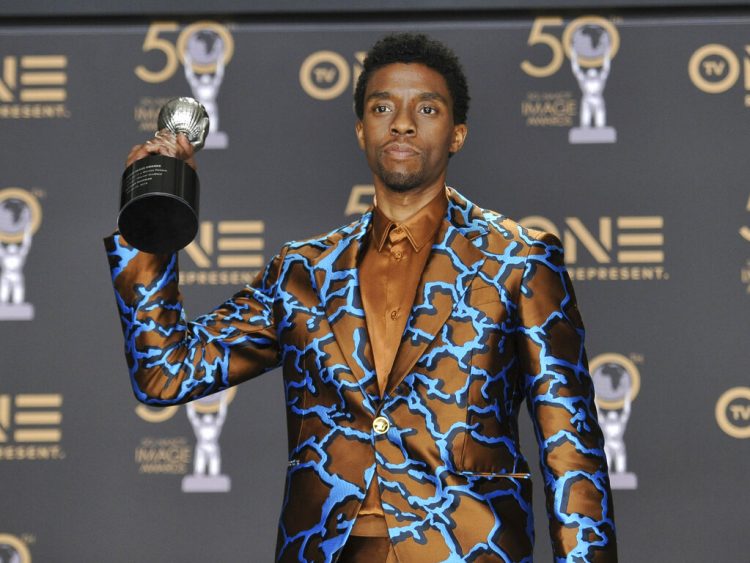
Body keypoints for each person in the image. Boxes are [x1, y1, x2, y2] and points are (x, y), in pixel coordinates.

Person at [106, 33, 617, 562]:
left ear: (457, 133)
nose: (402, 121)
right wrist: (150, 223)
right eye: (381, 106)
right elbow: (165, 371)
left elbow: (571, 449)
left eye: (426, 107)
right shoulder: (301, 272)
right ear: (360, 130)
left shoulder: (519, 260)